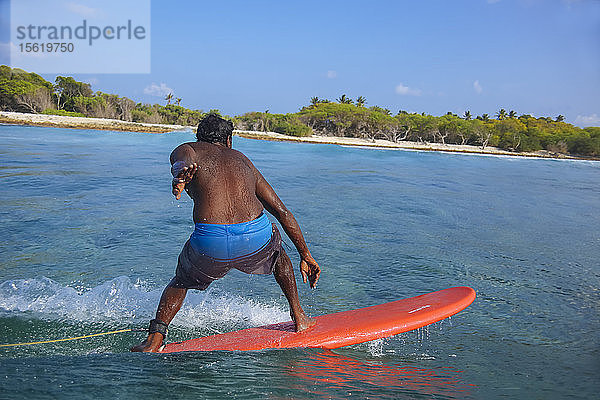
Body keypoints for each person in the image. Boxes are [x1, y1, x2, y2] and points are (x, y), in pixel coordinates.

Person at [131, 114, 321, 352]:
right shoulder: (243, 160)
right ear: (229, 140)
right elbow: (282, 212)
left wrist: (180, 173)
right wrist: (305, 254)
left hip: (210, 243)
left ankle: (155, 339)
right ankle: (299, 317)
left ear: (199, 138)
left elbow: (182, 158)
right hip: (255, 238)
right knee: (279, 253)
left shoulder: (190, 150)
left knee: (181, 280)